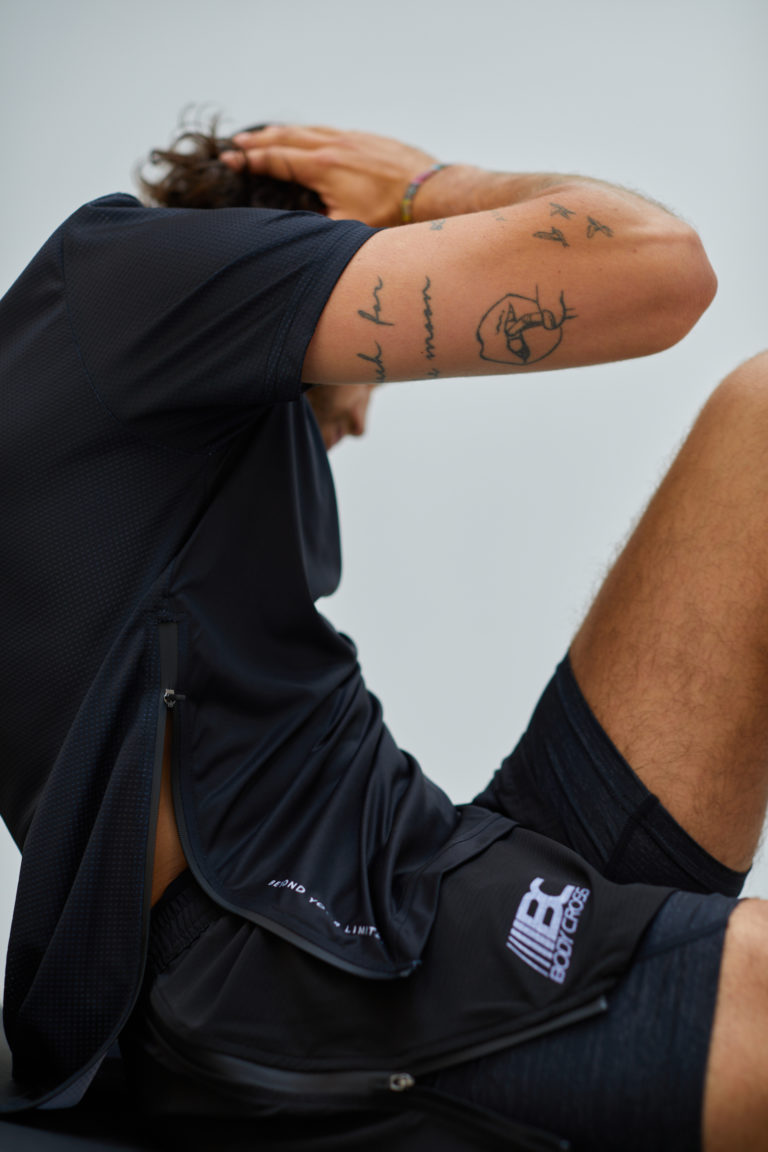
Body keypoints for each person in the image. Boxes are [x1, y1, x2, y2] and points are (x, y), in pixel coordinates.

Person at [1, 117, 765, 1150]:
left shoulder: (137, 402)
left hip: (428, 870)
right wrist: (422, 186)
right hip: (302, 969)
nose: (362, 418)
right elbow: (661, 268)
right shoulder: (122, 273)